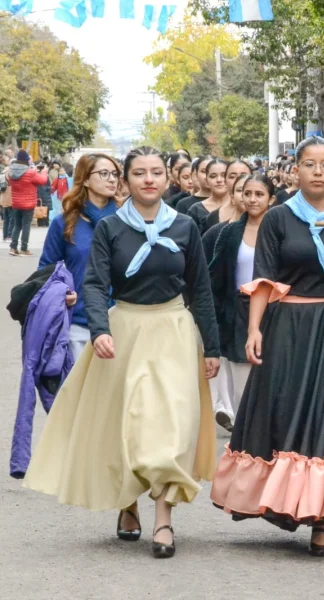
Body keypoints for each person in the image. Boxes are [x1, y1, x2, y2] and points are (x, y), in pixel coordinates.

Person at [23, 146, 220, 560]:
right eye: (139, 173)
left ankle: (163, 515)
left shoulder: (185, 226)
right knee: (127, 426)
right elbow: (94, 283)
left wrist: (212, 347)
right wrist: (99, 330)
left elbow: (200, 289)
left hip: (174, 331)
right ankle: (128, 504)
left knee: (172, 427)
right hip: (124, 330)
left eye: (156, 172)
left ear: (168, 179)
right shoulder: (112, 228)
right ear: (127, 181)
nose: (148, 180)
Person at [209, 136, 324, 557]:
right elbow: (265, 278)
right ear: (294, 170)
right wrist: (254, 330)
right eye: (309, 164)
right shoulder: (279, 218)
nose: (318, 171)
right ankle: (291, 503)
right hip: (290, 327)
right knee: (291, 414)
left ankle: (321, 519)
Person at [207, 174, 276, 432]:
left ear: (271, 198)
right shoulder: (229, 232)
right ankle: (243, 439)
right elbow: (216, 275)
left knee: (272, 382)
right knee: (241, 386)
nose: (253, 199)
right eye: (248, 193)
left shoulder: (280, 230)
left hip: (274, 311)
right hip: (238, 312)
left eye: (259, 194)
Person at [39, 153, 121, 360]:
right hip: (79, 322)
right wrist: (62, 292)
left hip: (122, 320)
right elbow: (46, 269)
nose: (112, 179)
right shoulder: (65, 222)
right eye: (104, 173)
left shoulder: (128, 220)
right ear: (84, 179)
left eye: (115, 174)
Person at [7, 150, 48, 256]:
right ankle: (24, 249)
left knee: (17, 225)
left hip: (16, 202)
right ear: (26, 160)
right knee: (26, 226)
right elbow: (42, 181)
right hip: (28, 204)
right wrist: (43, 172)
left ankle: (13, 247)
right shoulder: (30, 172)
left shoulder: (10, 171)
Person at [206, 160, 252, 232]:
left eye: (243, 175)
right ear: (225, 181)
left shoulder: (268, 215)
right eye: (232, 176)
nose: (238, 179)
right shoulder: (213, 217)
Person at [186, 159, 229, 235]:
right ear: (207, 181)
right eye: (213, 176)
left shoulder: (241, 206)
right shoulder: (196, 210)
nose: (219, 180)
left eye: (223, 175)